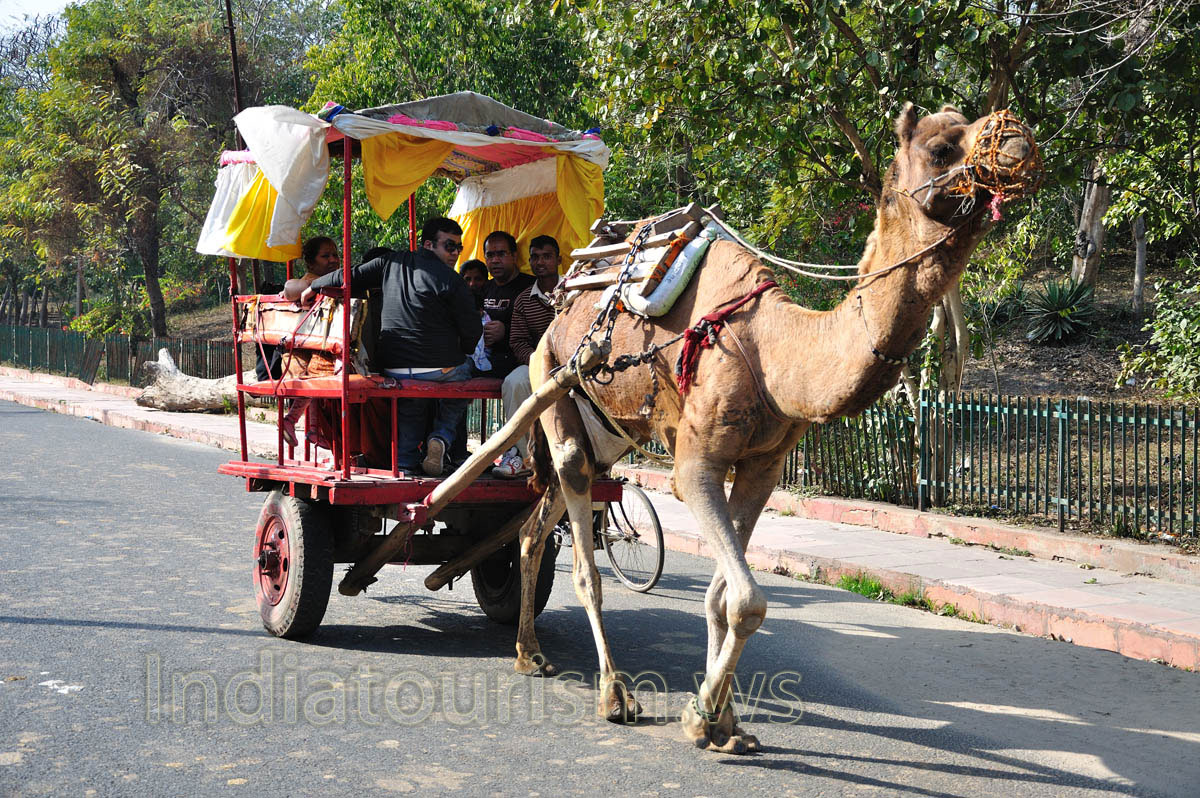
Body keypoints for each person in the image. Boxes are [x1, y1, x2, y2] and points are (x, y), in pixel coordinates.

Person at [301, 217, 481, 476]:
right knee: (465, 369)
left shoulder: (389, 262)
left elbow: (346, 276)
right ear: (428, 244)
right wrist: (460, 349)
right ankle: (441, 436)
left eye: (458, 248)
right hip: (439, 369)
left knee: (411, 404)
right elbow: (472, 331)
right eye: (449, 246)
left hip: (395, 369)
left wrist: (314, 286)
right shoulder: (452, 280)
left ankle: (406, 464)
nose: (454, 253)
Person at [494, 235, 561, 477]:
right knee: (514, 382)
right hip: (537, 365)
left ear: (558, 260)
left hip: (574, 365)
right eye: (535, 257)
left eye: (547, 256)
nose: (541, 262)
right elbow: (517, 341)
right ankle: (526, 459)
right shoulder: (523, 300)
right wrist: (538, 362)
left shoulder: (575, 292)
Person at [479, 230, 534, 379]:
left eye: (501, 254)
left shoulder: (531, 287)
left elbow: (542, 330)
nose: (495, 260)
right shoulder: (483, 289)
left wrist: (506, 332)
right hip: (483, 361)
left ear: (514, 256)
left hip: (520, 365)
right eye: (490, 255)